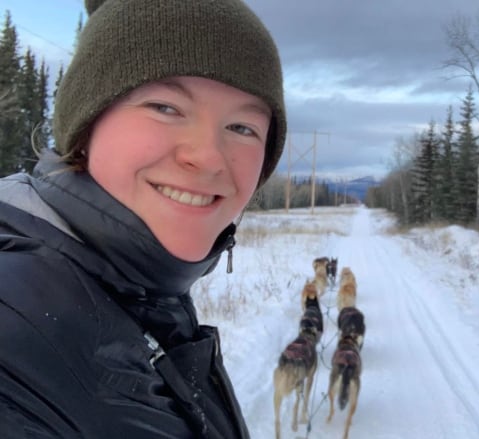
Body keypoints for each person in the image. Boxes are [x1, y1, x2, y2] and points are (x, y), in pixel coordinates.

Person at [0, 0, 285, 437]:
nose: (208, 157)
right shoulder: (15, 339)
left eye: (242, 128)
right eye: (165, 107)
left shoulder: (144, 295)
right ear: (87, 123)